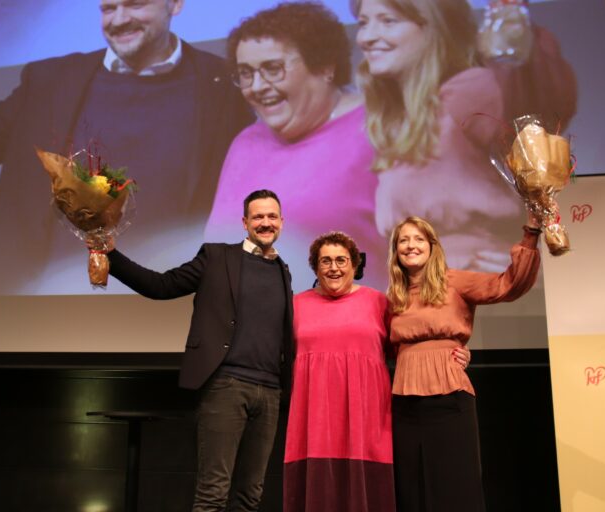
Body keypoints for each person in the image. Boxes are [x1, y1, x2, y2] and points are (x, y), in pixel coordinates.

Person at [0, 0, 254, 294]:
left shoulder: (224, 85)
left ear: (175, 4)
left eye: (135, 5)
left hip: (157, 301)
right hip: (24, 303)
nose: (119, 19)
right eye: (108, 9)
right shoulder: (50, 81)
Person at [102, 189, 292, 512]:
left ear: (281, 222)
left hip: (270, 392)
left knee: (250, 497)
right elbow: (161, 286)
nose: (265, 222)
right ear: (245, 222)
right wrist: (111, 256)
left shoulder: (283, 271)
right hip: (226, 385)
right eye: (258, 216)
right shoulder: (217, 257)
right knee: (212, 494)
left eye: (271, 216)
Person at [352, 0, 576, 272]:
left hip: (478, 292)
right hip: (420, 291)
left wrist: (524, 256)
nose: (367, 36)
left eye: (388, 21)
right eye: (363, 23)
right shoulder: (396, 122)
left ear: (433, 28)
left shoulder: (469, 91)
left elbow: (539, 125)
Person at [203, 1, 389, 292]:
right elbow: (215, 248)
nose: (257, 86)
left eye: (273, 69)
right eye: (246, 73)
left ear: (325, 66)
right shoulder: (245, 143)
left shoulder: (382, 131)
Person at [284, 230, 471, 512]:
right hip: (314, 420)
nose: (334, 267)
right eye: (325, 261)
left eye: (341, 260)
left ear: (354, 264)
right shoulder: (296, 306)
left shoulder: (378, 303)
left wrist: (450, 350)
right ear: (314, 266)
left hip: (366, 417)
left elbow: (408, 343)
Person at [385, 215, 541, 511]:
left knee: (455, 485)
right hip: (404, 402)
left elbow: (509, 285)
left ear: (432, 246)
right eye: (403, 240)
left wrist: (531, 234)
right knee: (411, 487)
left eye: (418, 239)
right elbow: (383, 345)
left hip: (449, 398)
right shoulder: (394, 296)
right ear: (395, 250)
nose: (410, 245)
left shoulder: (454, 280)